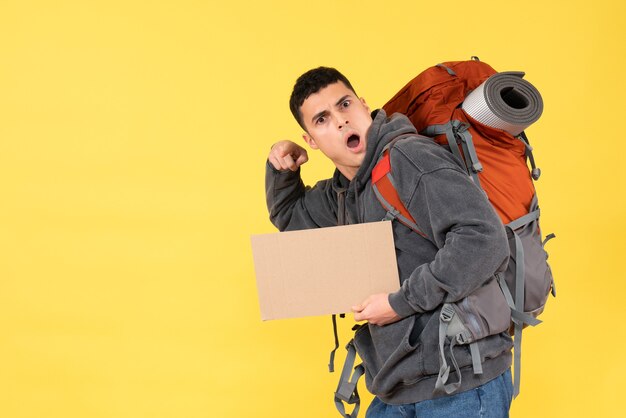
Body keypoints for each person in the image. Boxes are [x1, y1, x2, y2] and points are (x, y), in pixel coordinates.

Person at [265, 67, 514, 417]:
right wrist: (282, 167)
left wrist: (400, 302)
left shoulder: (410, 158)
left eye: (345, 105)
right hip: (400, 386)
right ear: (311, 141)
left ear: (365, 107)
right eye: (322, 119)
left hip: (460, 385)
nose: (340, 122)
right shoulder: (343, 193)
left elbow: (485, 239)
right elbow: (292, 224)